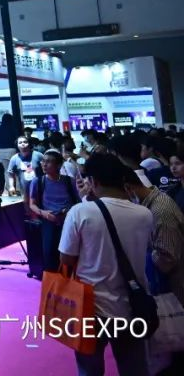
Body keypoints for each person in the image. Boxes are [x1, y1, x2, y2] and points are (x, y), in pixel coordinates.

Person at [58, 153, 153, 376]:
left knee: (89, 369)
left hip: (90, 307)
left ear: (93, 181)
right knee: (134, 367)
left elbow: (66, 259)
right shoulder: (144, 214)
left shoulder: (79, 212)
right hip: (133, 304)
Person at [122, 170, 184, 309]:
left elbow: (168, 258)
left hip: (178, 283)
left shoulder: (159, 211)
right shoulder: (151, 204)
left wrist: (147, 255)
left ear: (128, 188)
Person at [29, 150, 81, 275]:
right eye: (43, 161)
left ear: (58, 165)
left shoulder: (69, 181)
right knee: (49, 253)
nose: (44, 164)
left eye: (48, 162)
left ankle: (69, 278)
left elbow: (79, 202)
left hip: (69, 221)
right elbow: (32, 204)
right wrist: (43, 213)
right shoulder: (38, 181)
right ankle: (51, 280)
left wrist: (69, 211)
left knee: (70, 252)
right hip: (48, 220)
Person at [6, 135, 43, 205]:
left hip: (40, 189)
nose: (23, 144)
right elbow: (11, 174)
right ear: (17, 145)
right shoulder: (14, 159)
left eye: (25, 142)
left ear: (29, 144)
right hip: (24, 192)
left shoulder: (38, 155)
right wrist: (11, 186)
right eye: (20, 143)